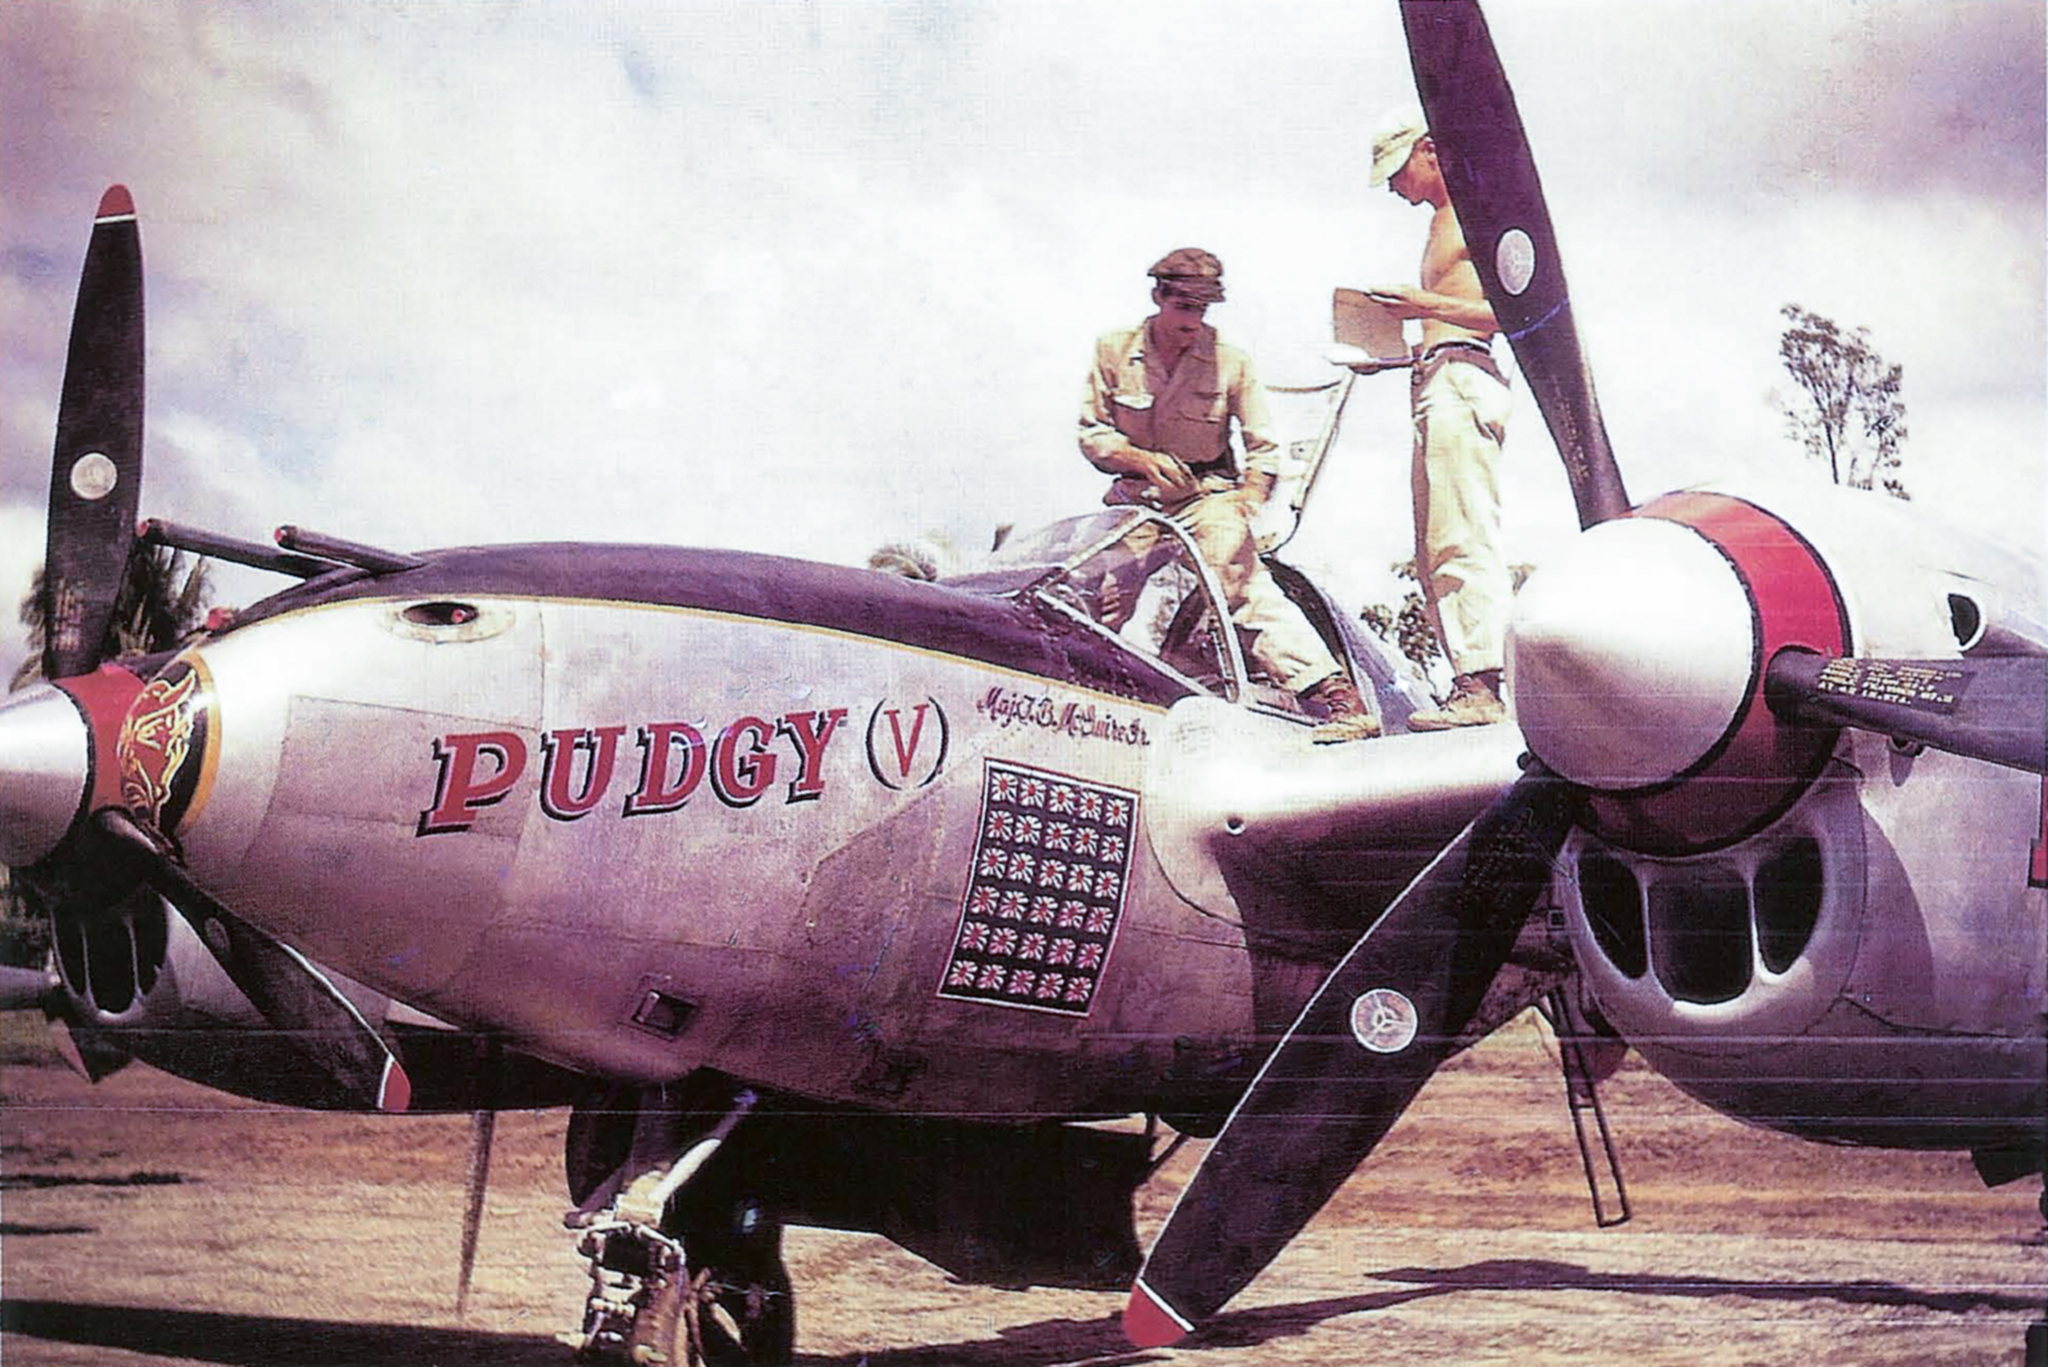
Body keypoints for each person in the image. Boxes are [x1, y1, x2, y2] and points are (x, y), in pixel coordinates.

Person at [1079, 248, 1378, 743]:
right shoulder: (1114, 350)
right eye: (1184, 307)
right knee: (1099, 596)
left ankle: (1335, 695)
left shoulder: (1230, 361)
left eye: (1203, 309)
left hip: (1208, 494)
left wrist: (1247, 502)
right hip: (1137, 496)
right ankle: (1086, 706)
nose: (1193, 322)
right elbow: (1092, 432)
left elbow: (1264, 448)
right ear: (1159, 297)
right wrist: (1139, 460)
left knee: (1238, 583)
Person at [1363, 105, 1513, 730]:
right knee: (1433, 545)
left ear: (1428, 152)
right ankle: (1467, 681)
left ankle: (1484, 683)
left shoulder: (1477, 211)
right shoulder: (1441, 224)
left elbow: (1512, 312)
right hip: (1434, 376)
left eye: (1397, 174)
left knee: (1462, 532)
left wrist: (1419, 303)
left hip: (1463, 377)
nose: (1396, 190)